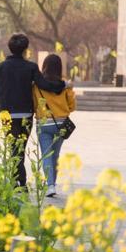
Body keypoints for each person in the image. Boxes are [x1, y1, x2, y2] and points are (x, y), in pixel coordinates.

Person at [0, 34, 65, 189]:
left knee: (12, 147)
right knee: (21, 147)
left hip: (7, 114)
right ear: (25, 49)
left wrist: (2, 102)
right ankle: (20, 181)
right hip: (25, 114)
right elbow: (43, 84)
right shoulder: (30, 67)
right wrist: (60, 86)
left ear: (10, 48)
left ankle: (17, 180)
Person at [33, 54, 76, 197]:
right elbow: (72, 107)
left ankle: (50, 185)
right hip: (61, 123)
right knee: (55, 155)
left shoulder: (36, 87)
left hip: (44, 123)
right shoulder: (65, 86)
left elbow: (33, 105)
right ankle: (53, 184)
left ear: (43, 66)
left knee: (46, 155)